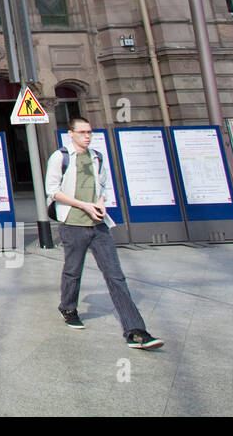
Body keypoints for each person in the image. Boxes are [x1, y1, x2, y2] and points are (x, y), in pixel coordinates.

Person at [47, 117, 162, 349]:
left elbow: (102, 185)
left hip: (98, 224)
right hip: (72, 222)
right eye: (82, 132)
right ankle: (68, 308)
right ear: (71, 133)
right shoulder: (60, 157)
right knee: (73, 270)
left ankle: (136, 331)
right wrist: (83, 205)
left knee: (115, 276)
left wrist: (99, 202)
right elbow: (53, 191)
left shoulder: (96, 157)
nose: (87, 136)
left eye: (89, 132)